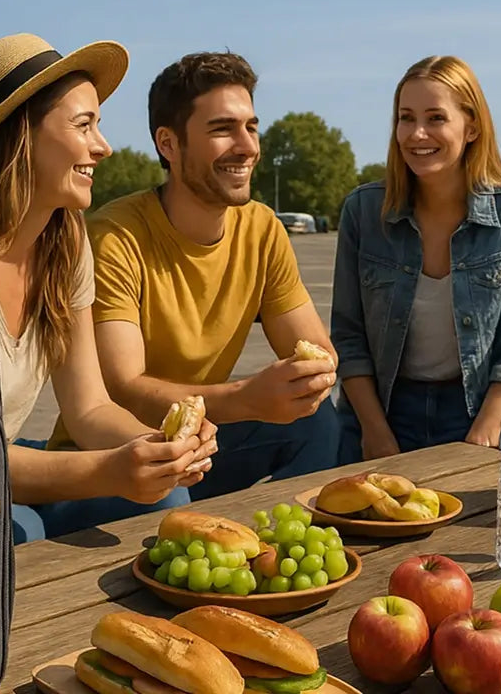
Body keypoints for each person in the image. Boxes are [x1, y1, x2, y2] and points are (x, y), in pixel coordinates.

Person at [0, 33, 218, 545]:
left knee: (166, 495)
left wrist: (161, 445)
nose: (103, 147)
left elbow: (88, 410)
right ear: (22, 136)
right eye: (83, 125)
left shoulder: (66, 242)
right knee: (24, 532)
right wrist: (111, 471)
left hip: (6, 467)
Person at [63, 50, 341, 499]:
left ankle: (281, 534)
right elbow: (124, 389)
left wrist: (308, 379)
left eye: (251, 127)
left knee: (318, 422)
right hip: (117, 458)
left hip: (206, 442)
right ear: (169, 144)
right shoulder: (116, 236)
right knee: (169, 472)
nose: (247, 146)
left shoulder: (262, 229)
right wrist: (245, 398)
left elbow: (316, 351)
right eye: (222, 129)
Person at [330, 56, 501, 459]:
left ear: (472, 127)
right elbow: (348, 337)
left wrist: (488, 426)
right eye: (406, 118)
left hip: (476, 410)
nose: (417, 134)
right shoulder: (363, 211)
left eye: (436, 118)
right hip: (381, 411)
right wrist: (374, 432)